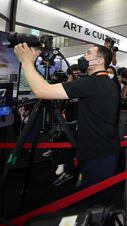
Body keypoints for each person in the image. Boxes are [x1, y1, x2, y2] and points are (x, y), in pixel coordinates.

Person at [14, 44, 120, 206]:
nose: (83, 56)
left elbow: (42, 91)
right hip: (103, 150)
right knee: (99, 201)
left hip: (97, 154)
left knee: (96, 206)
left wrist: (27, 62)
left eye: (88, 53)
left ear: (99, 60)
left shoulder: (92, 83)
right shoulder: (104, 82)